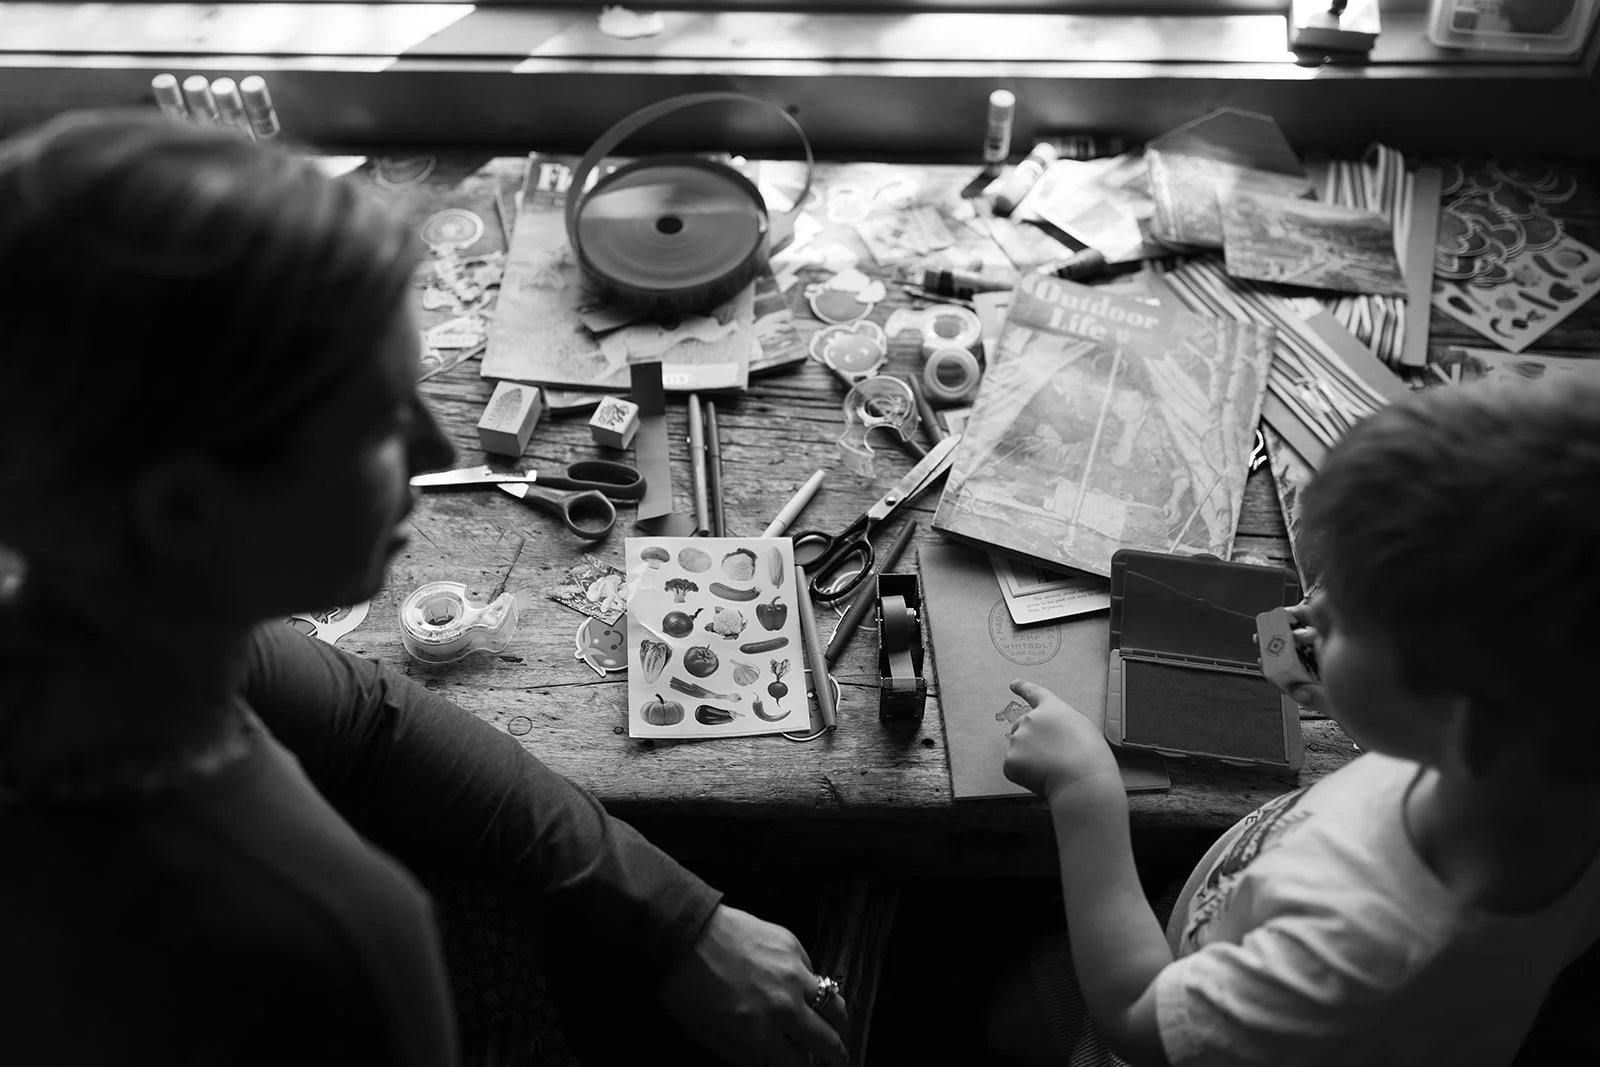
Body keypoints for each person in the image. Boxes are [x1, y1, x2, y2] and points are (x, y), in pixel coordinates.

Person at [0, 111, 848, 1067]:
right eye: (374, 425)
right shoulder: (336, 934)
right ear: (183, 507)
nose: (438, 449)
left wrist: (675, 917)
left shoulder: (109, 615)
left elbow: (365, 718)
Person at [992, 377, 1600, 1066]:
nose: (1308, 610)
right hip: (1222, 919)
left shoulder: (1356, 951)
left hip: (1165, 1010)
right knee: (1026, 1000)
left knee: (1019, 1021)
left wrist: (1085, 792)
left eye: (1340, 622)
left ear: (1464, 717)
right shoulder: (1541, 767)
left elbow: (1137, 1014)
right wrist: (1320, 659)